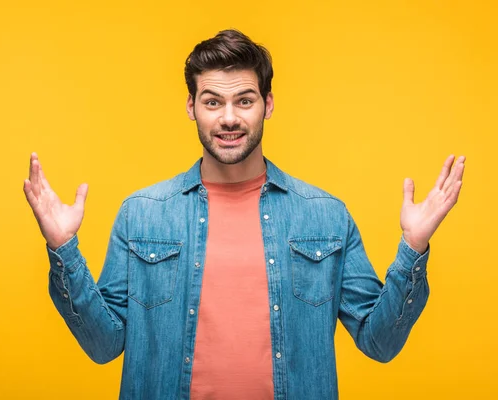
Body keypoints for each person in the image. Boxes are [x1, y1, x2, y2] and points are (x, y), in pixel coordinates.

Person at [23, 29, 465, 400]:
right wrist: (64, 249)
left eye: (245, 101)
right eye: (212, 101)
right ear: (191, 107)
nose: (229, 118)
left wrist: (414, 247)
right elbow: (104, 345)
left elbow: (379, 342)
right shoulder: (142, 215)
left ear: (268, 105)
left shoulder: (325, 216)